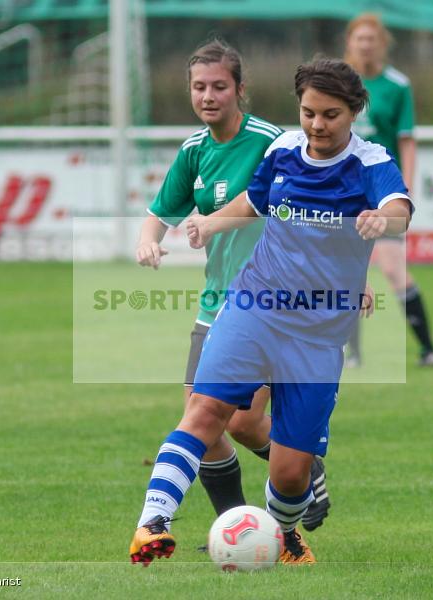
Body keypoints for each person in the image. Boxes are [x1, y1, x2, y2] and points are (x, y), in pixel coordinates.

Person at [129, 57, 412, 566]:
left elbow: (399, 209)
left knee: (289, 474)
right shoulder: (283, 148)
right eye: (308, 113)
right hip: (254, 307)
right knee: (205, 411)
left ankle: (278, 535)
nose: (317, 126)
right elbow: (254, 202)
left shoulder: (370, 163)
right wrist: (212, 224)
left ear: (354, 113)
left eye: (330, 115)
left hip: (319, 335)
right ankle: (152, 524)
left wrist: (381, 219)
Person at [135, 39, 330, 530]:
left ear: (240, 89)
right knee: (202, 426)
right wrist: (148, 242)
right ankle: (236, 526)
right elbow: (159, 214)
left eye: (219, 86)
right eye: (199, 87)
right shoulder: (194, 151)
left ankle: (302, 468)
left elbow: (306, 200)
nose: (208, 96)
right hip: (213, 302)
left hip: (270, 302)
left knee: (239, 421)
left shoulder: (272, 141)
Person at [344, 13, 433, 367]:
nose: (366, 44)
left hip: (380, 191)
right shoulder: (339, 81)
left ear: (382, 43)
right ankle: (351, 353)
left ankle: (428, 348)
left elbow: (407, 140)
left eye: (372, 39)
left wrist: (406, 188)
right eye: (360, 38)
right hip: (343, 191)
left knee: (391, 268)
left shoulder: (397, 85)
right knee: (344, 270)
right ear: (350, 42)